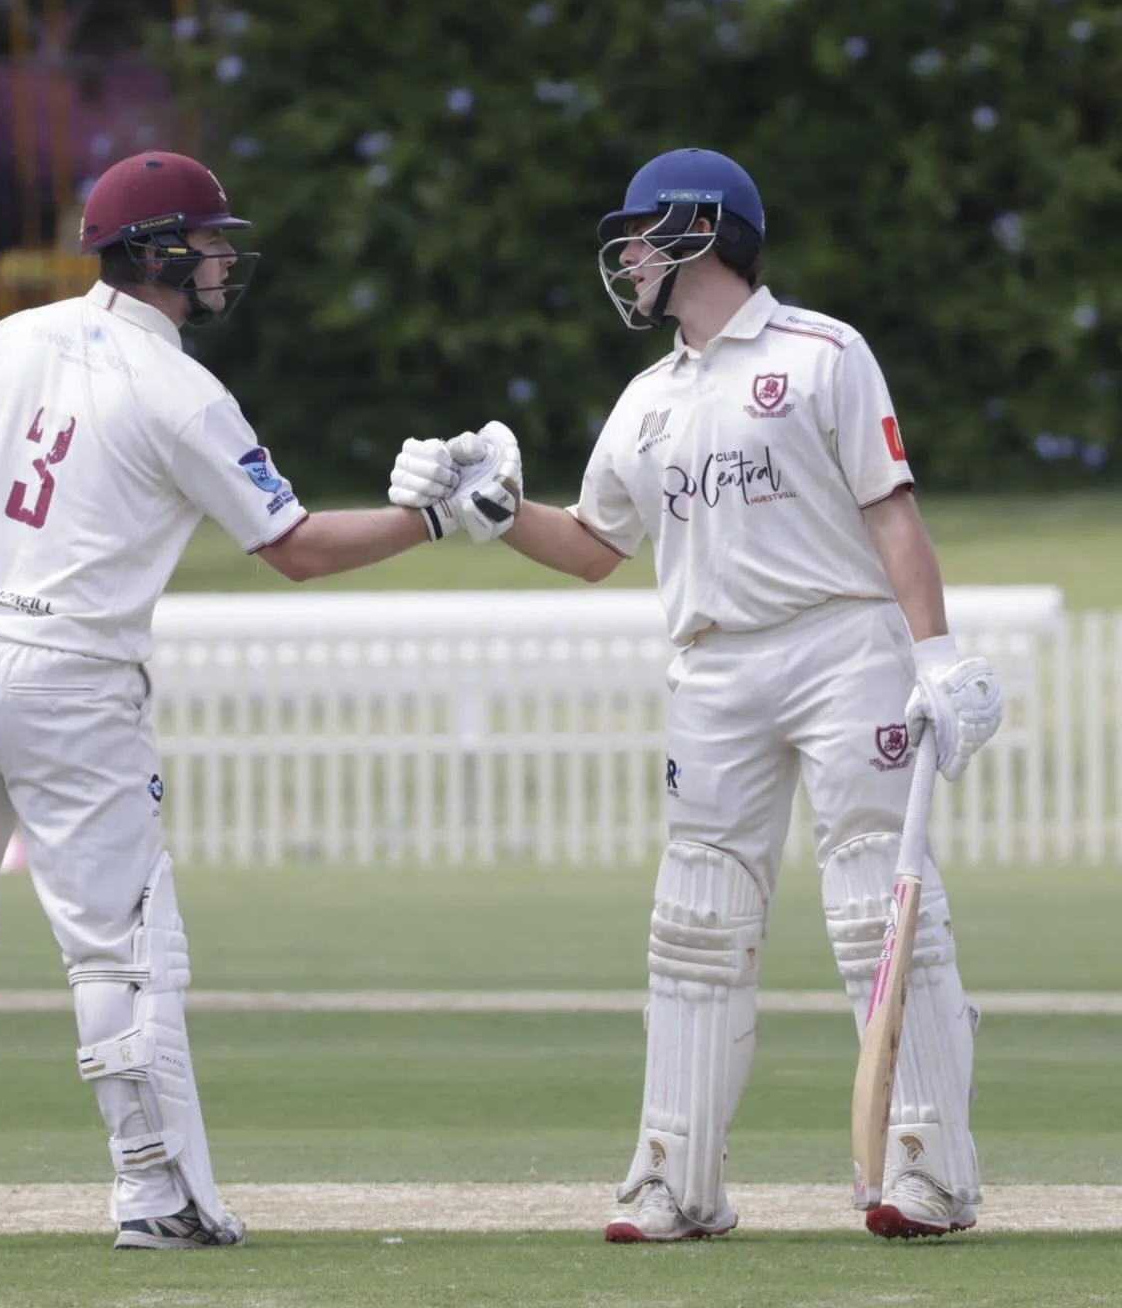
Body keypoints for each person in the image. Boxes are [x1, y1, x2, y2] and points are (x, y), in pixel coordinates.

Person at [0, 149, 511, 1249]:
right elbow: (295, 548)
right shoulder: (184, 395)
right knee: (121, 939)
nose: (223, 260)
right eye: (211, 242)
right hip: (70, 674)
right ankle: (158, 1194)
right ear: (161, 252)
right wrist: (433, 521)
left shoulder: (16, 337)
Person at [388, 147, 1004, 1242]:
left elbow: (891, 510)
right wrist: (498, 512)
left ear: (699, 229)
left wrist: (938, 656)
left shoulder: (823, 354)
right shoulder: (647, 400)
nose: (626, 259)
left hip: (842, 643)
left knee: (877, 904)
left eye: (638, 237)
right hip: (714, 666)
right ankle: (676, 1178)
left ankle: (930, 1171)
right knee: (697, 921)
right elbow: (594, 546)